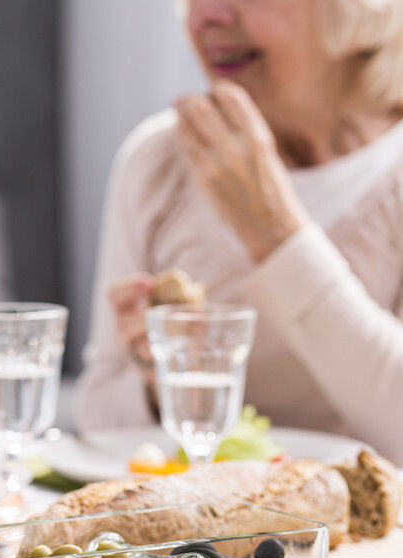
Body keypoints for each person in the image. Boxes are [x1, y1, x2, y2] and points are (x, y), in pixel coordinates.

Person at [76, 0, 403, 464]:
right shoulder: (157, 161)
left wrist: (274, 232)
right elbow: (98, 419)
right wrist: (157, 380)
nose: (205, 16)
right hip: (202, 530)